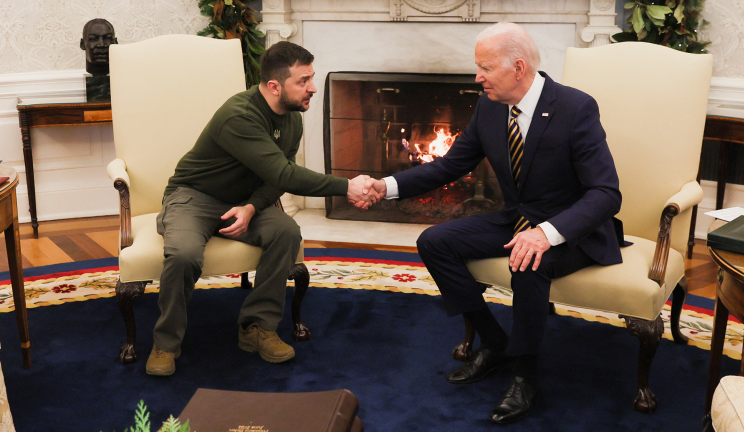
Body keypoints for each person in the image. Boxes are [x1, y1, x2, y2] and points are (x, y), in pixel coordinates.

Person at [364, 23, 625, 423]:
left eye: (485, 68)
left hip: (572, 230)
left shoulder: (575, 108)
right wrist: (387, 185)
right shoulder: (490, 107)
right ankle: (495, 341)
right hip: (518, 219)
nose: (477, 77)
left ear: (518, 67)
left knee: (528, 261)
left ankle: (525, 375)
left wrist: (545, 234)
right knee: (435, 242)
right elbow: (451, 165)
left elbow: (606, 193)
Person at [146, 41, 380, 376]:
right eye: (303, 81)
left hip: (245, 199)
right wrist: (348, 186)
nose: (313, 88)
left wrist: (252, 207)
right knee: (184, 255)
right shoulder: (239, 115)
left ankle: (257, 327)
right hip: (195, 197)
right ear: (274, 86)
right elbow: (285, 174)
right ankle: (166, 342)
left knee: (286, 232)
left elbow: (275, 177)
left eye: (312, 78)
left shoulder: (292, 118)